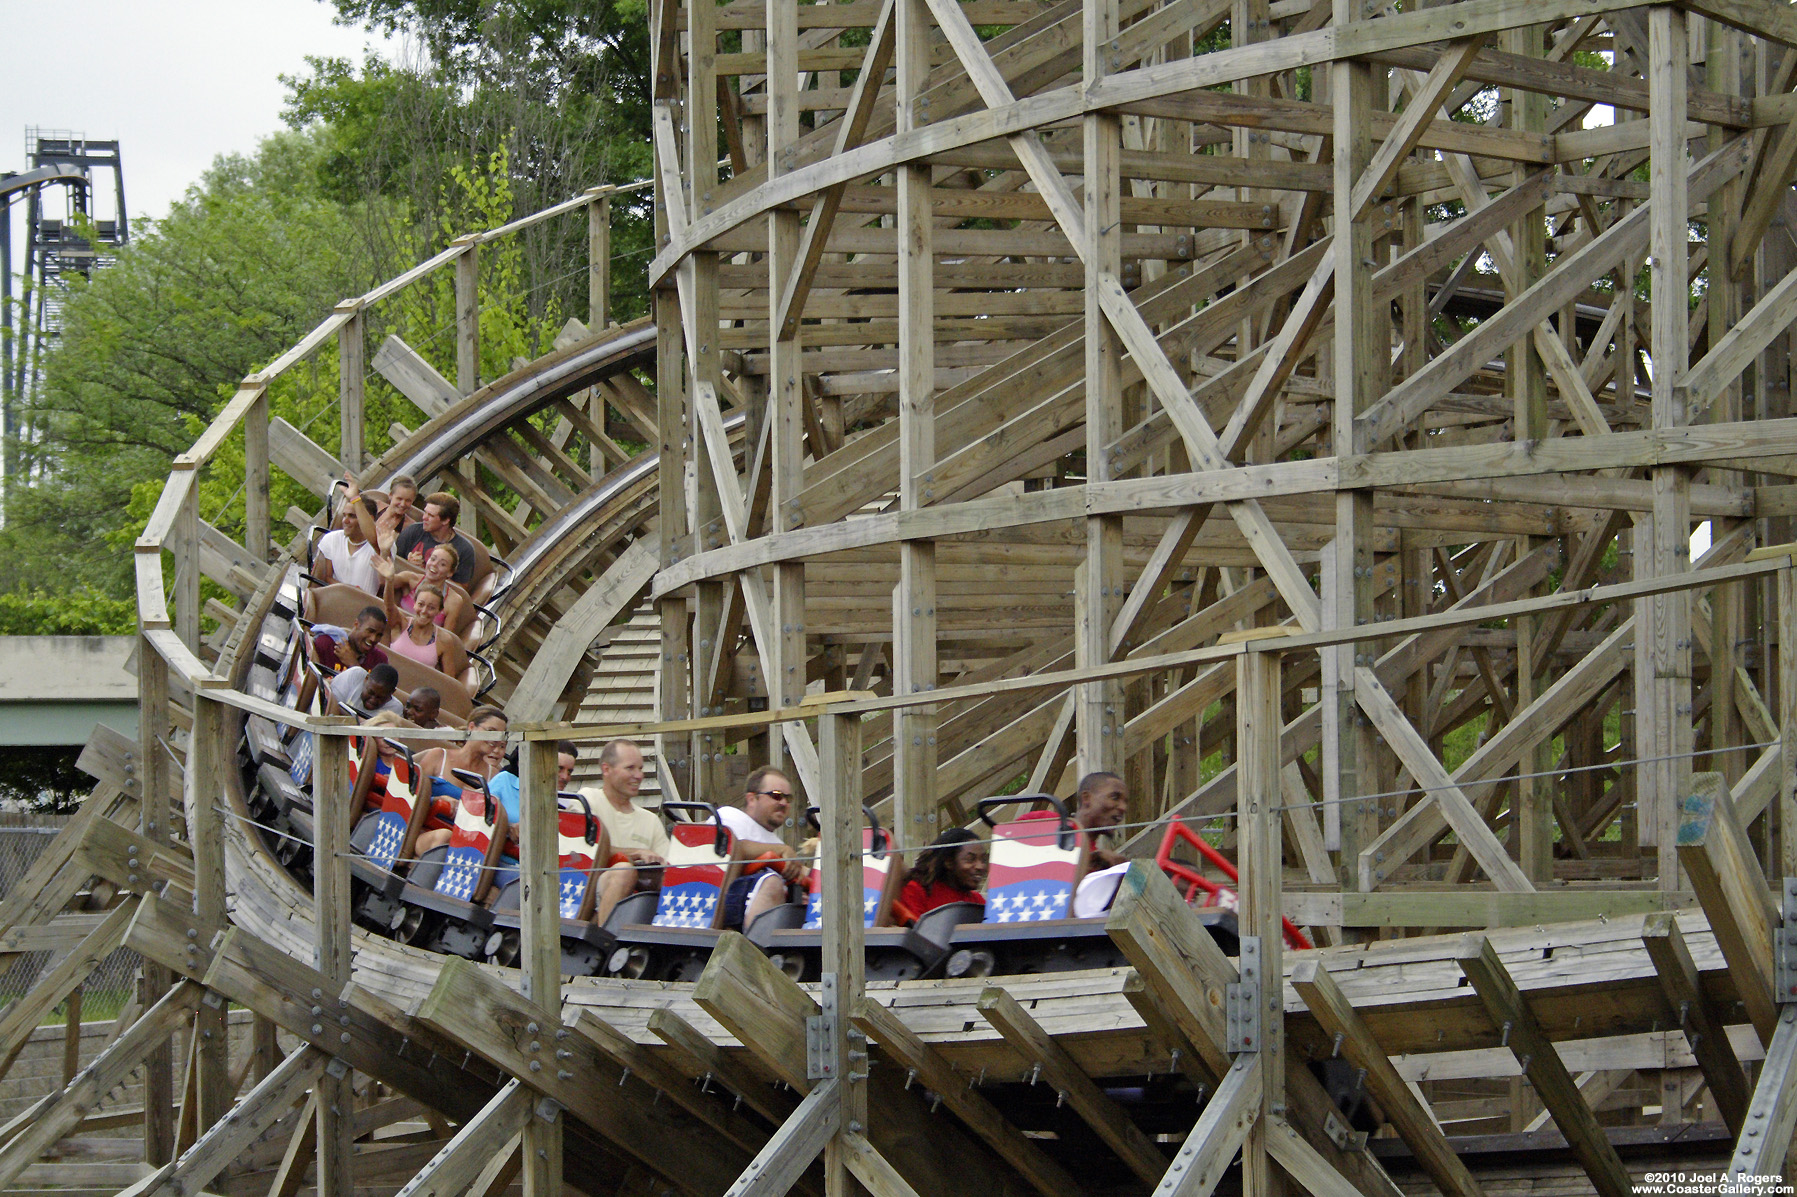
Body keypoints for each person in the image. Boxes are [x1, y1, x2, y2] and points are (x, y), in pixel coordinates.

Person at [586, 739, 672, 927]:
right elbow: (582, 850)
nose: (638, 775)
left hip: (640, 899)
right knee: (623, 872)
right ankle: (604, 941)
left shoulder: (650, 820)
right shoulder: (588, 801)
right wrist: (636, 853)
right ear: (606, 769)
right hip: (587, 889)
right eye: (630, 768)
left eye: (640, 768)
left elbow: (667, 867)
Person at [718, 766, 806, 932]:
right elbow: (732, 848)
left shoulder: (776, 842)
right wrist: (781, 850)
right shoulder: (729, 816)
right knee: (771, 883)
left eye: (788, 798)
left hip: (768, 914)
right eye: (776, 795)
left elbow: (802, 872)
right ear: (752, 799)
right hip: (725, 907)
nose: (784, 803)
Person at [412, 707, 509, 856]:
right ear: (471, 727)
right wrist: (437, 800)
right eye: (491, 731)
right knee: (444, 837)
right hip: (423, 831)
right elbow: (412, 795)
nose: (496, 740)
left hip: (464, 844)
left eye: (500, 735)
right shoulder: (438, 756)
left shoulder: (495, 777)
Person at [1068, 771, 1132, 918]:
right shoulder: (1045, 820)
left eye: (1125, 802)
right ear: (1087, 798)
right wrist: (1089, 859)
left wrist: (1123, 876)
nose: (1123, 807)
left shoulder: (1104, 866)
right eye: (1115, 797)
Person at [376, 543, 470, 634]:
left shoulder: (454, 600)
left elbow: (447, 636)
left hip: (424, 640)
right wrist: (385, 550)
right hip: (395, 629)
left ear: (450, 573)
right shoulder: (411, 579)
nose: (434, 565)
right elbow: (384, 581)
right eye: (433, 559)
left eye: (442, 564)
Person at [896, 828, 988, 920]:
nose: (980, 866)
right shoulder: (916, 891)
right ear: (949, 862)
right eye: (970, 859)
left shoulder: (977, 900)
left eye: (983, 860)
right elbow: (914, 931)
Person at [393, 492, 478, 588]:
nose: (424, 517)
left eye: (431, 515)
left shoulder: (464, 549)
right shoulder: (413, 531)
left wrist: (426, 572)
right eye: (425, 512)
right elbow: (392, 563)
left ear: (445, 520)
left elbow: (461, 589)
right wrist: (408, 565)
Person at [383, 582, 468, 677]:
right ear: (414, 604)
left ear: (439, 611)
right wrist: (389, 580)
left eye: (431, 608)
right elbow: (389, 607)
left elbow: (449, 679)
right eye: (421, 604)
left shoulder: (444, 640)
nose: (424, 611)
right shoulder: (401, 623)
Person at [312, 494, 381, 593]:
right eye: (344, 515)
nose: (345, 520)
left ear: (368, 519)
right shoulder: (331, 539)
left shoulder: (381, 545)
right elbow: (327, 577)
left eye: (352, 516)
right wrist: (349, 590)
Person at [326, 663, 404, 717]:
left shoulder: (395, 709)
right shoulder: (355, 675)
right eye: (370, 692)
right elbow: (331, 704)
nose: (373, 700)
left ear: (392, 693)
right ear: (366, 679)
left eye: (380, 697)